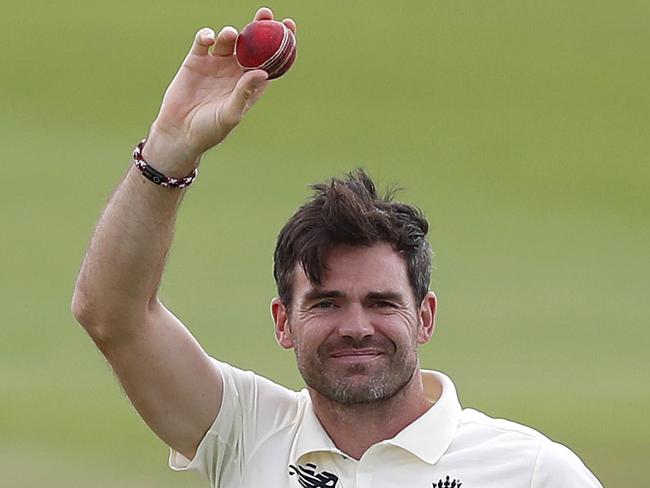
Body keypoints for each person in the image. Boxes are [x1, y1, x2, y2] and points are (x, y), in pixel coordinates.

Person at [71, 7, 603, 488]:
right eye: (326, 302)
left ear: (425, 316)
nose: (356, 326)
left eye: (382, 302)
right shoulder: (245, 432)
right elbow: (112, 314)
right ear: (283, 321)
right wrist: (170, 147)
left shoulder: (532, 472)